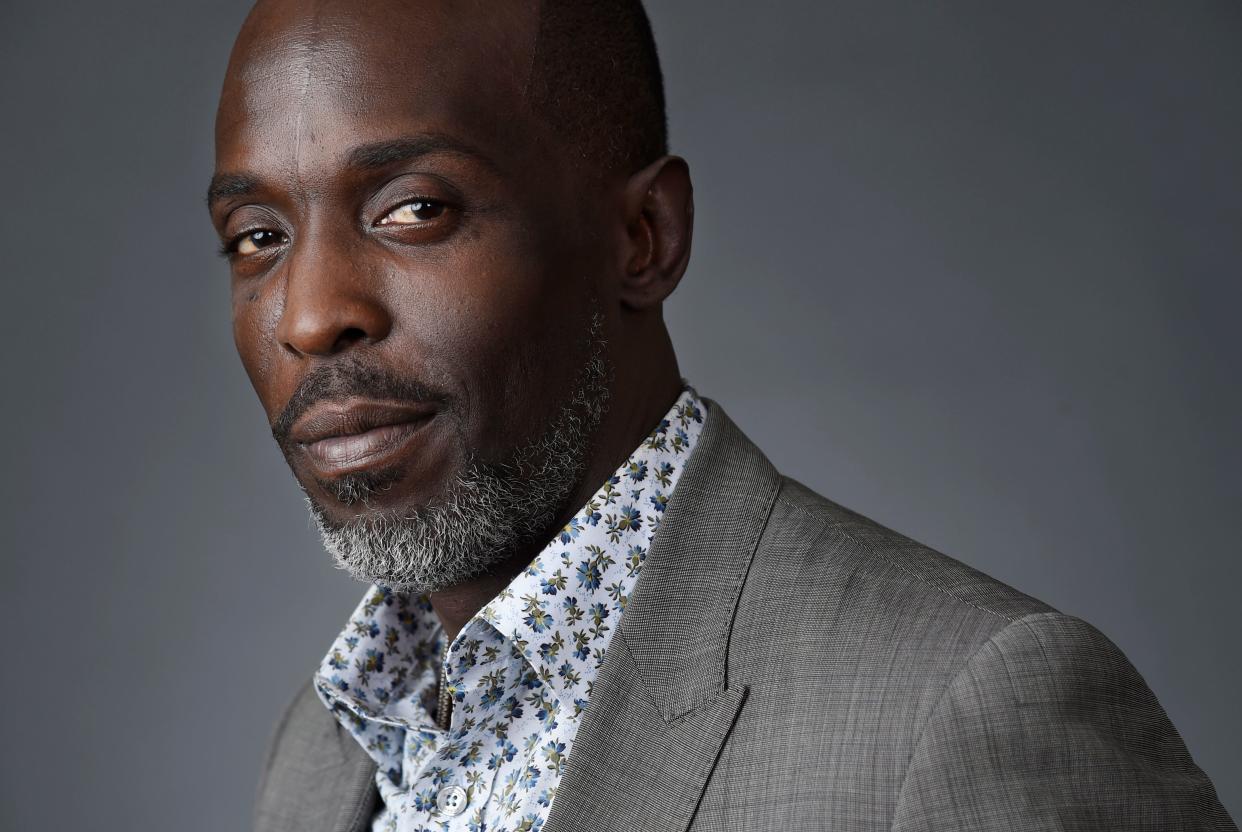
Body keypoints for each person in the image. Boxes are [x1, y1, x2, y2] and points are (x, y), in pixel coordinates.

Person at [207, 1, 1236, 830]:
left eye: (415, 208)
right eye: (256, 235)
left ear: (644, 237)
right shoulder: (326, 749)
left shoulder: (961, 714)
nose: (309, 315)